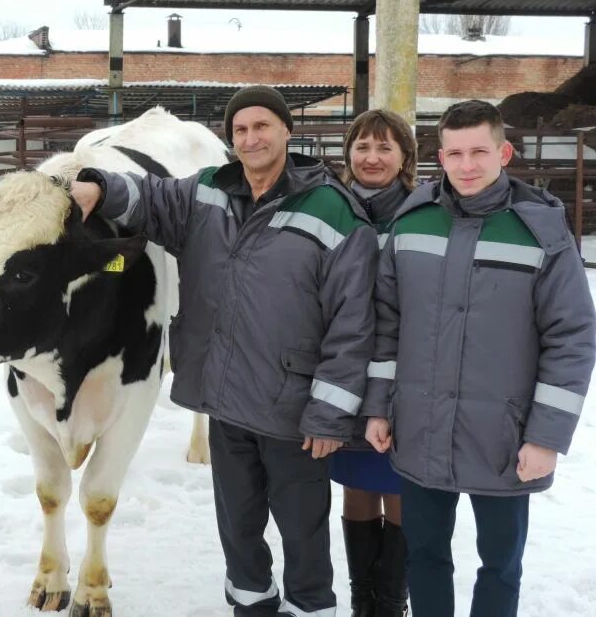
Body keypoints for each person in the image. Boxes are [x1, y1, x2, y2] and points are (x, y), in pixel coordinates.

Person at [71, 86, 379, 617]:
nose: (250, 138)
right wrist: (99, 185)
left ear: (286, 131)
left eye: (262, 126)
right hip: (227, 402)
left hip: (295, 412)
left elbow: (354, 324)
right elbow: (151, 198)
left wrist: (329, 417)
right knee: (238, 531)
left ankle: (311, 609)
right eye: (240, 130)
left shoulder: (333, 210)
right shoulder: (210, 190)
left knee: (303, 535)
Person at [363, 99, 595, 616]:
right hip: (419, 429)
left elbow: (572, 337)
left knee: (500, 563)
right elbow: (385, 323)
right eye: (455, 154)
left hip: (505, 440)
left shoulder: (541, 233)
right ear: (438, 157)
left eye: (479, 152)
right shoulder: (413, 221)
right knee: (423, 554)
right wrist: (379, 407)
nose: (467, 166)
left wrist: (545, 437)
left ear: (504, 152)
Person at [330, 109, 418, 617]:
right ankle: (364, 599)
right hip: (345, 368)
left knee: (398, 481)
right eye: (362, 146)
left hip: (404, 369)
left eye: (385, 148)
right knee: (359, 481)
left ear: (405, 156)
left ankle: (391, 601)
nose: (372, 157)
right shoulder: (335, 208)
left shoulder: (423, 210)